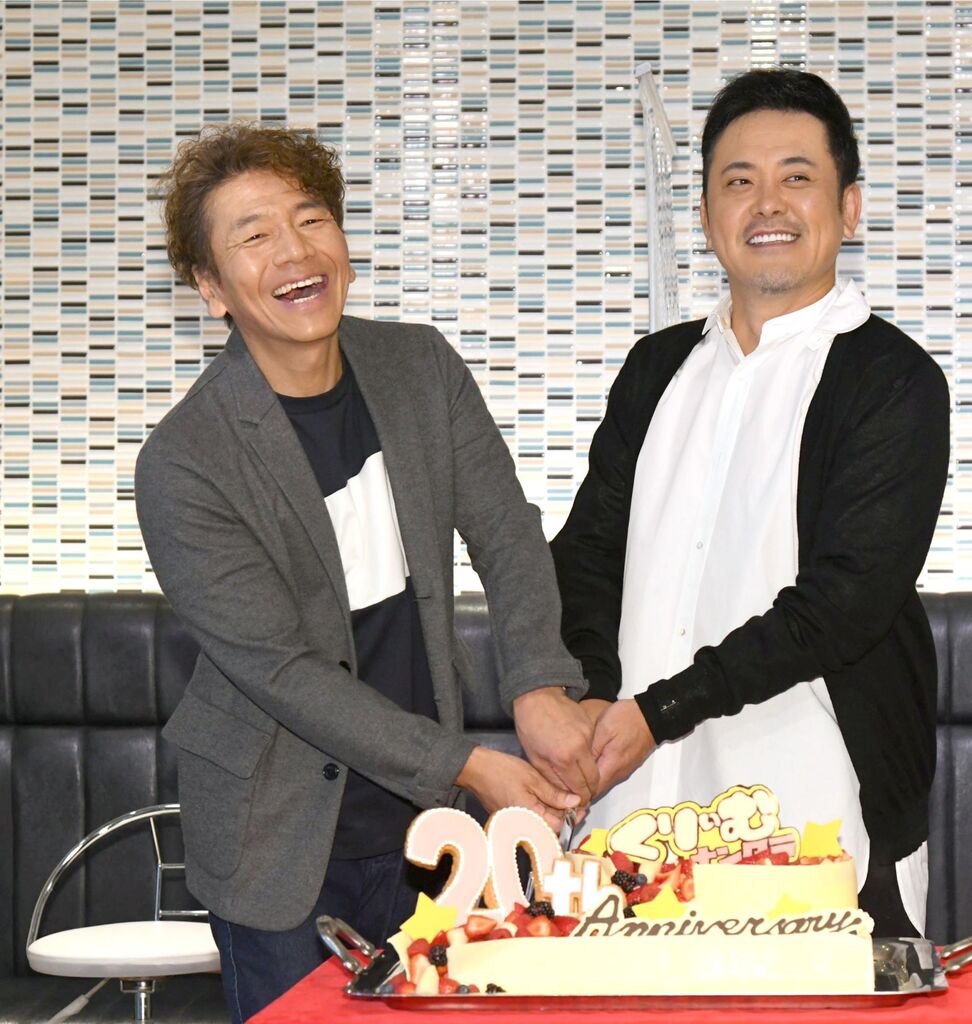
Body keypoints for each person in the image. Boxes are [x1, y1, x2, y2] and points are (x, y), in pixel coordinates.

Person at [136, 123, 598, 1022]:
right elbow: (282, 671)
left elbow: (507, 532)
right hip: (275, 840)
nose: (294, 251)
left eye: (310, 219)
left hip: (430, 832)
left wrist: (539, 680)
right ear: (210, 286)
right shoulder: (185, 462)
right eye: (254, 235)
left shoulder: (419, 367)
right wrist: (470, 763)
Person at [551, 69, 950, 938]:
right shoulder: (655, 371)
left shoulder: (892, 382)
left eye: (795, 177)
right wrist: (585, 692)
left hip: (819, 820)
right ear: (706, 217)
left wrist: (659, 712)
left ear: (847, 208)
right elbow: (585, 555)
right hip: (629, 815)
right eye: (738, 181)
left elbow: (843, 604)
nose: (766, 202)